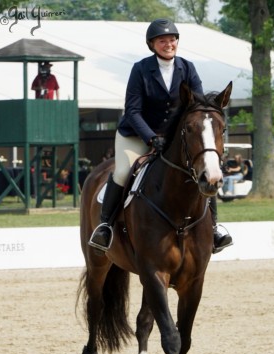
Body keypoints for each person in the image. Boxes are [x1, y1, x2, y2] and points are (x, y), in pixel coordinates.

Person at [89, 18, 232, 254]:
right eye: (162, 40)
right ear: (152, 44)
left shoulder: (187, 68)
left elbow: (196, 106)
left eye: (172, 39)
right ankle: (105, 227)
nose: (169, 44)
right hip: (136, 133)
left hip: (174, 137)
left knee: (203, 170)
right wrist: (150, 138)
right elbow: (132, 110)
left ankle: (214, 228)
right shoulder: (141, 69)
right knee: (124, 172)